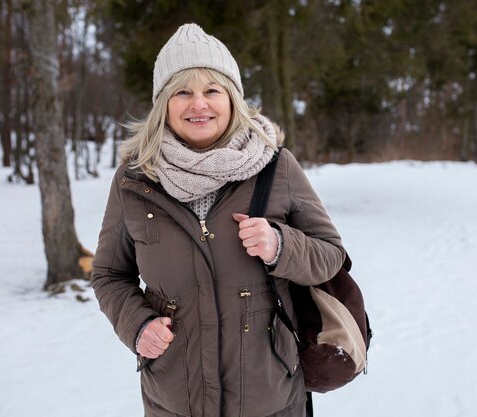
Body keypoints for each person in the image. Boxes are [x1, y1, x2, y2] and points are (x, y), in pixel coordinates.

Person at [91, 23, 345, 417]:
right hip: (175, 399)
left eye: (212, 90)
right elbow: (109, 274)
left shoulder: (276, 167)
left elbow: (331, 256)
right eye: (182, 92)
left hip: (271, 397)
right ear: (164, 104)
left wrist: (281, 245)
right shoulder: (133, 181)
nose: (198, 104)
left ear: (233, 99)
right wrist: (137, 325)